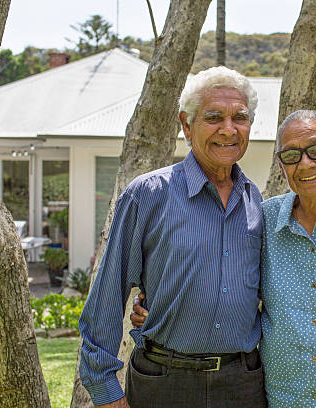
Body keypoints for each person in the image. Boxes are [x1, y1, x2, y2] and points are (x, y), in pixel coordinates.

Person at [133, 110, 316, 407]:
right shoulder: (263, 219)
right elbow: (226, 281)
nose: (306, 164)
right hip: (284, 400)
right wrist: (160, 307)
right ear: (281, 165)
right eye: (291, 155)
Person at [78, 66, 267, 408]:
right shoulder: (148, 194)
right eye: (214, 117)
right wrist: (105, 388)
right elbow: (108, 291)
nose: (229, 129)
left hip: (243, 385)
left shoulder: (257, 201)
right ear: (186, 124)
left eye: (239, 117)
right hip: (163, 382)